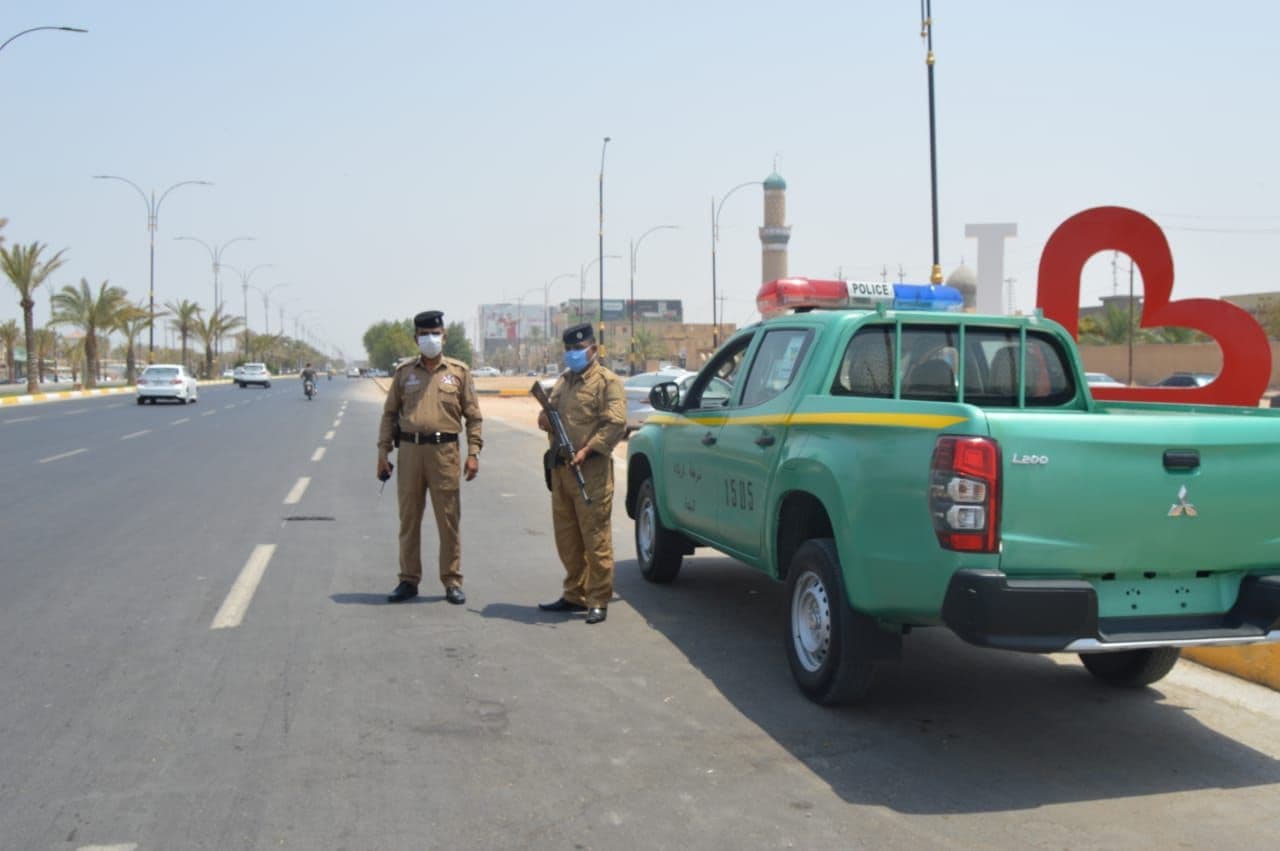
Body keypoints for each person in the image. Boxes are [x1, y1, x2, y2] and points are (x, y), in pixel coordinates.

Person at [377, 311, 483, 605]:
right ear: (416, 338)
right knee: (409, 519)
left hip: (444, 453)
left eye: (434, 333)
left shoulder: (459, 372)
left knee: (448, 520)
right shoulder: (404, 373)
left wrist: (474, 452)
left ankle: (452, 580)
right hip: (410, 452)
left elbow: (474, 417)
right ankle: (408, 580)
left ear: (444, 336)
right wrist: (383, 452)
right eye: (424, 334)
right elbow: (389, 415)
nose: (430, 339)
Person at [537, 323, 626, 624]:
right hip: (561, 470)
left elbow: (615, 423)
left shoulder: (607, 382)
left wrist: (587, 450)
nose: (573, 354)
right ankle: (574, 593)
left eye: (579, 348)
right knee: (567, 538)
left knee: (595, 538)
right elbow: (549, 412)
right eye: (569, 349)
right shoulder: (563, 382)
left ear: (593, 349)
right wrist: (544, 418)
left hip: (591, 472)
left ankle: (598, 598)